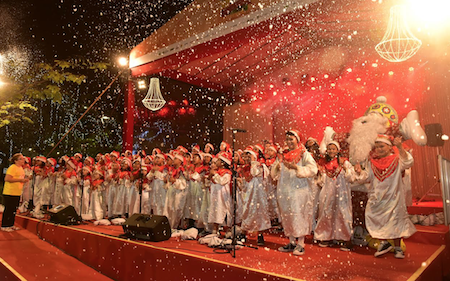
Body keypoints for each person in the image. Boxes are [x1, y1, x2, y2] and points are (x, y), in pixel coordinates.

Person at [354, 135, 416, 259]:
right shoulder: (373, 162)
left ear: (389, 147)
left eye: (382, 146)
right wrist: (360, 172)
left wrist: (400, 148)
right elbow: (367, 178)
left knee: (395, 221)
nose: (379, 149)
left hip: (394, 197)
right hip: (377, 198)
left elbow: (408, 162)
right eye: (376, 147)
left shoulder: (397, 159)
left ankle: (398, 248)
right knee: (376, 218)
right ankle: (385, 243)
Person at [271, 130, 318, 256]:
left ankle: (301, 244)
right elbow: (274, 171)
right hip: (285, 190)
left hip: (299, 191)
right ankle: (291, 242)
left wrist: (297, 168)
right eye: (288, 139)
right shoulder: (283, 155)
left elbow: (313, 169)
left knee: (299, 215)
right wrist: (276, 168)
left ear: (297, 140)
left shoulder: (304, 154)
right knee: (287, 215)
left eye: (292, 139)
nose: (289, 141)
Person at [314, 141, 354, 251]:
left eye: (333, 149)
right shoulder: (324, 164)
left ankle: (346, 239)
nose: (331, 151)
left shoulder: (344, 163)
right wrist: (320, 174)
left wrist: (345, 169)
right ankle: (326, 236)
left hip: (342, 193)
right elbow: (321, 182)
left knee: (343, 214)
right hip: (328, 193)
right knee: (326, 213)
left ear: (338, 150)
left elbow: (351, 177)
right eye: (329, 149)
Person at [2, 153, 30, 232]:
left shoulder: (21, 168)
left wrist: (24, 180)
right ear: (16, 160)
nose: (23, 160)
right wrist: (20, 180)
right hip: (10, 192)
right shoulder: (12, 167)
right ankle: (5, 225)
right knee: (8, 209)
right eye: (21, 159)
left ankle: (11, 224)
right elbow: (7, 179)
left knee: (14, 210)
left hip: (17, 192)